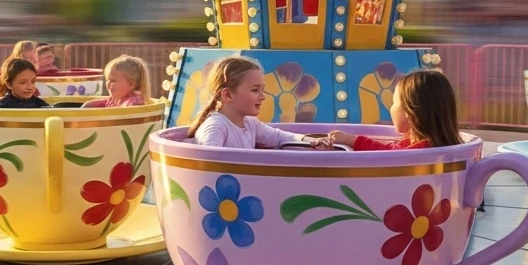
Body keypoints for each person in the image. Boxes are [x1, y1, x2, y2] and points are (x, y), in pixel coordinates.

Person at [188, 57, 330, 149]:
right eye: (255, 90)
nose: (263, 97)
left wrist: (310, 141)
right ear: (228, 94)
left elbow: (279, 137)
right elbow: (208, 163)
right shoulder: (216, 127)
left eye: (262, 90)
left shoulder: (250, 123)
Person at [331, 70, 464, 150]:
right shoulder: (439, 143)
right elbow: (394, 148)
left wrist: (353, 140)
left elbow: (391, 155)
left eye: (394, 102)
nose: (391, 107)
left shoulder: (423, 150)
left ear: (409, 112)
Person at [84, 56, 149, 108]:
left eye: (113, 81)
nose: (108, 84)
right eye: (107, 80)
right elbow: (89, 105)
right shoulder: (115, 99)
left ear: (130, 84)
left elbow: (126, 112)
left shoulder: (134, 102)